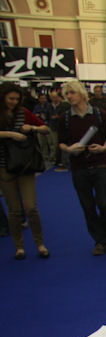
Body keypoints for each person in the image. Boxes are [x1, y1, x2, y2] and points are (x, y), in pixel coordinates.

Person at [57, 80, 106, 256]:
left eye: (72, 93)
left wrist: (103, 148)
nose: (69, 96)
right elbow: (60, 142)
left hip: (99, 163)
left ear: (81, 93)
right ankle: (100, 240)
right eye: (67, 94)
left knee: (105, 203)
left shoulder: (99, 114)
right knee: (88, 206)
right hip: (78, 167)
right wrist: (69, 149)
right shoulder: (65, 118)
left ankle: (104, 232)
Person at [0, 82, 51, 259]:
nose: (13, 102)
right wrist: (10, 134)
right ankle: (19, 247)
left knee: (31, 207)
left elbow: (45, 128)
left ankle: (40, 243)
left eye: (16, 99)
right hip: (4, 166)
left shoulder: (24, 113)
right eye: (10, 98)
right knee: (13, 210)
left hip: (25, 165)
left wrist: (33, 128)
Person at [49, 89, 71, 171]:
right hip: (54, 127)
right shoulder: (50, 106)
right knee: (57, 144)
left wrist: (58, 117)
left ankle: (63, 163)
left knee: (62, 144)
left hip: (64, 128)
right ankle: (59, 161)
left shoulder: (65, 105)